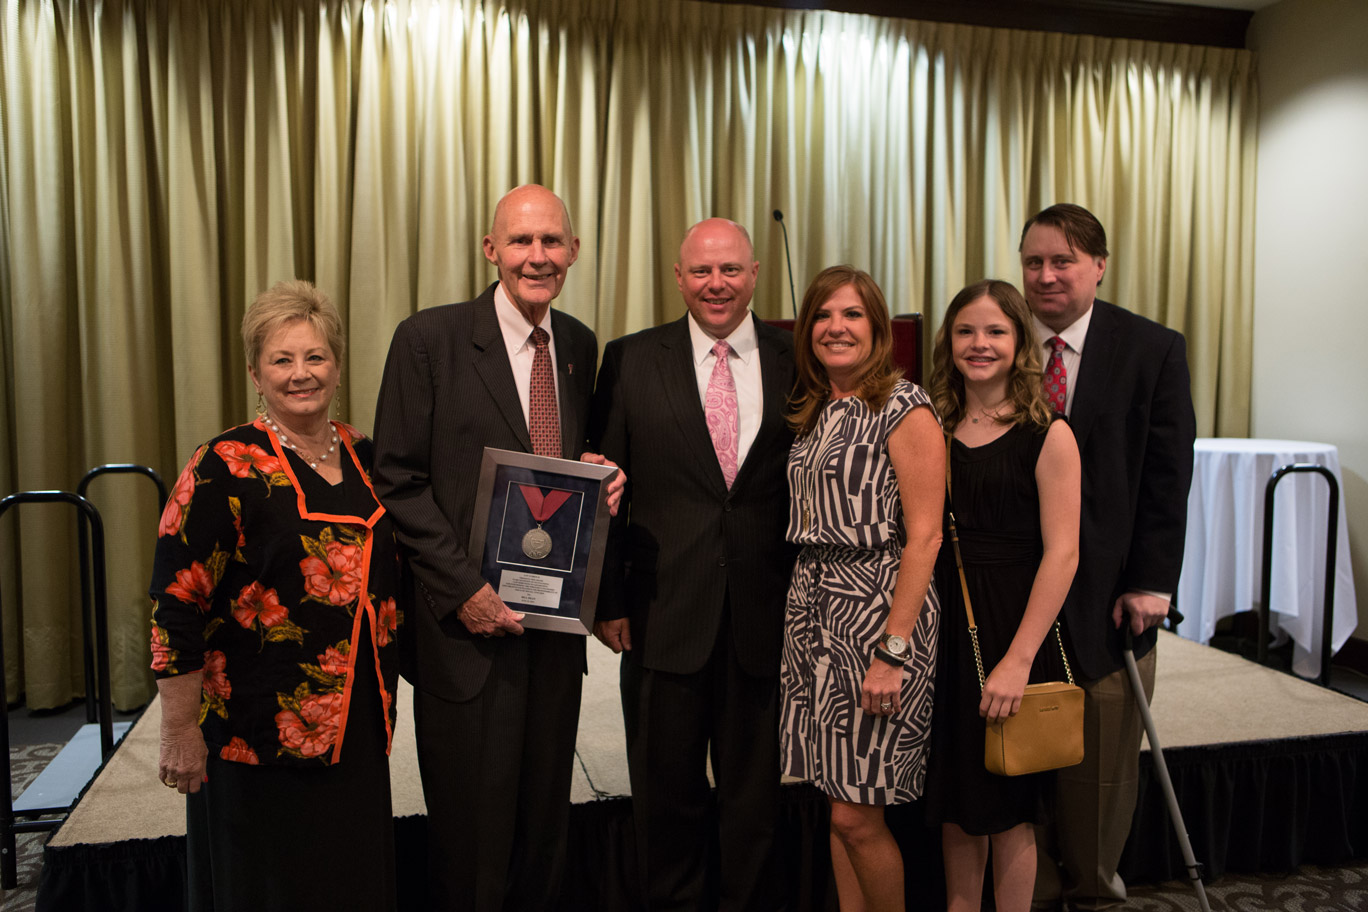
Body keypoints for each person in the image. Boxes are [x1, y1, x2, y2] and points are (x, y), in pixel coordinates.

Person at [371, 184, 621, 911]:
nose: (537, 257)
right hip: (468, 634)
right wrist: (464, 591)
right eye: (521, 241)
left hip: (551, 633)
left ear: (573, 252)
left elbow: (567, 460)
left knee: (545, 823)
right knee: (472, 837)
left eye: (551, 242)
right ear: (491, 250)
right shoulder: (429, 340)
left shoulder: (576, 344)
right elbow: (398, 478)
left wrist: (600, 474)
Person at [150, 279, 401, 911]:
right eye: (282, 360)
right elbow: (176, 601)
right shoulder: (223, 463)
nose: (301, 374)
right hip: (255, 734)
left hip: (357, 725)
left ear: (337, 366)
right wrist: (178, 729)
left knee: (349, 880)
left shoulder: (366, 453)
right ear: (255, 374)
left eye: (315, 357)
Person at [590, 217, 795, 911]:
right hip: (658, 618)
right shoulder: (627, 358)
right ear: (678, 277)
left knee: (756, 808)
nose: (716, 284)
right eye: (702, 271)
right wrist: (606, 598)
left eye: (730, 270)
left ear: (755, 273)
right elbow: (606, 486)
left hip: (767, 624)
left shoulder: (796, 358)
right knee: (665, 804)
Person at [1018, 204, 1196, 910]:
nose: (1047, 275)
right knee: (1011, 767)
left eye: (1063, 260)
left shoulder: (1152, 349)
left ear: (1098, 265)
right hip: (1011, 594)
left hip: (1110, 596)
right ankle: (1030, 892)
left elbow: (1166, 475)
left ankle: (1093, 890)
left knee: (1100, 766)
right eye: (1034, 261)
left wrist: (1153, 581)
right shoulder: (993, 337)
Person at [779, 265, 943, 912]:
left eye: (851, 315)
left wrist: (892, 650)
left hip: (877, 614)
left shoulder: (903, 406)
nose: (835, 327)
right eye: (823, 315)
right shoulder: (815, 406)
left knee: (857, 816)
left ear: (878, 329)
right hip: (815, 614)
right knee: (835, 808)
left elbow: (925, 536)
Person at [923, 280, 1081, 912]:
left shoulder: (1048, 432)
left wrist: (1018, 660)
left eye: (995, 332)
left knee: (1011, 804)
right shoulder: (929, 423)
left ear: (1020, 343)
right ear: (948, 341)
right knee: (959, 807)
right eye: (966, 331)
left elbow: (1064, 554)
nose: (979, 344)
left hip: (1015, 630)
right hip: (946, 631)